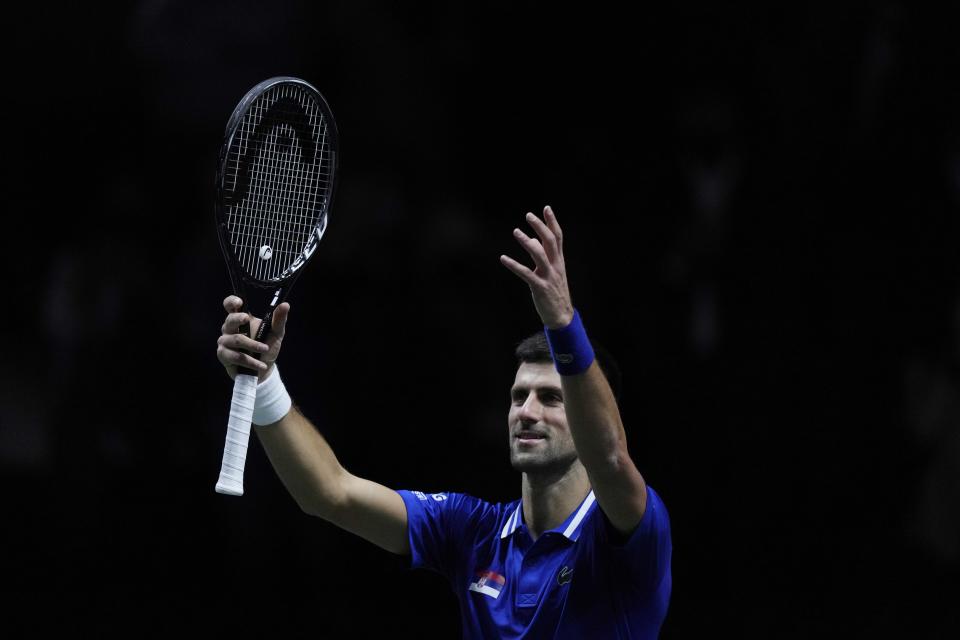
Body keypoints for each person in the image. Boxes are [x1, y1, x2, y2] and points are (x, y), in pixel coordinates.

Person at [216, 206, 672, 638]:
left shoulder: (629, 535)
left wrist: (562, 322)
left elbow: (610, 457)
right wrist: (264, 381)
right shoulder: (472, 532)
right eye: (518, 397)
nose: (526, 411)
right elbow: (330, 492)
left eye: (551, 398)